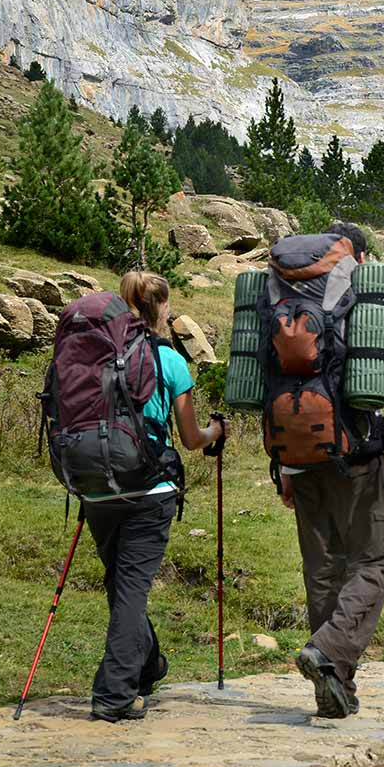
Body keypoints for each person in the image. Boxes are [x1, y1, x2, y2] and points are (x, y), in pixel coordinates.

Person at [277, 220, 384, 719]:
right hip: (356, 452)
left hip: (296, 453)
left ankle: (336, 685)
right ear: (357, 260)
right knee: (373, 561)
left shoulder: (284, 301)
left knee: (323, 571)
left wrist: (282, 465)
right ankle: (330, 654)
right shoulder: (374, 305)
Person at [85, 271, 227, 722]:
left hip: (95, 485)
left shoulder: (97, 355)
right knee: (130, 590)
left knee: (119, 584)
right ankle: (115, 695)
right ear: (162, 307)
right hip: (150, 489)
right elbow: (190, 438)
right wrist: (216, 431)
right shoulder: (169, 361)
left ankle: (147, 665)